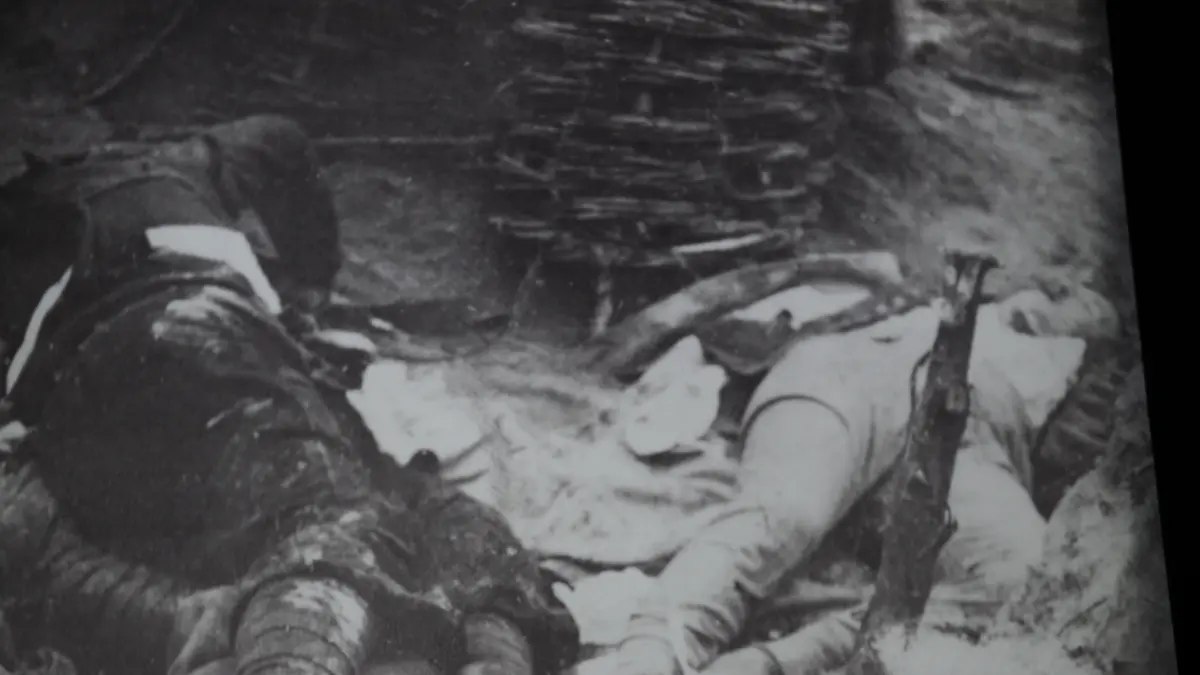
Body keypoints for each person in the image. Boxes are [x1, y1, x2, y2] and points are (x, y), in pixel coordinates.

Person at [0, 116, 576, 675]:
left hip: (128, 357)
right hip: (207, 334)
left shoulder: (35, 213)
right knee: (389, 502)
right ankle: (495, 633)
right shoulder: (173, 165)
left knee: (334, 510)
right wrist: (312, 279)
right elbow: (280, 141)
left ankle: (332, 621)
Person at [589, 293, 1102, 675]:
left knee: (1024, 576)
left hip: (969, 439)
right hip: (857, 379)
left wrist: (783, 660)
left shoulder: (1072, 404)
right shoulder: (1008, 320)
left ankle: (766, 665)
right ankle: (650, 655)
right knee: (788, 515)